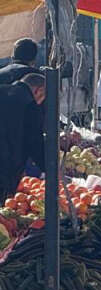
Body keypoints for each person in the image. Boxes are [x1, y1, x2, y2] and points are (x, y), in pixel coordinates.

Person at [0, 73, 46, 201]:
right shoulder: (30, 105)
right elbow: (35, 143)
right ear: (39, 90)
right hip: (5, 167)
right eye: (43, 97)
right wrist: (49, 168)